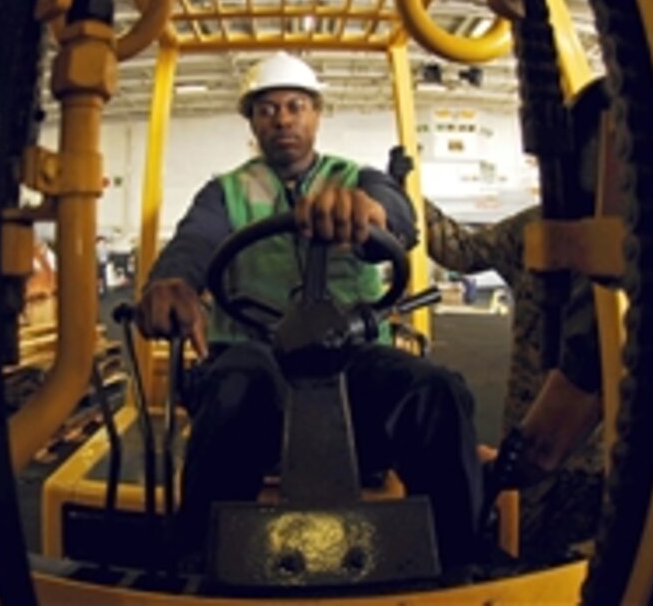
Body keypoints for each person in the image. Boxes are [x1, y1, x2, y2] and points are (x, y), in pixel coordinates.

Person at [135, 51, 485, 573]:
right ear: (252, 122)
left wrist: (371, 215)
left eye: (296, 106)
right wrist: (173, 281)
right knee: (236, 383)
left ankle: (459, 562)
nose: (283, 119)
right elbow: (194, 243)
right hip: (256, 360)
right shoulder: (223, 193)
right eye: (268, 109)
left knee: (435, 392)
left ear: (317, 114)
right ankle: (200, 558)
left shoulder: (356, 178)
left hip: (351, 358)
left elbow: (397, 217)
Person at [421, 77, 613, 566]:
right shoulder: (537, 225)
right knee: (530, 551)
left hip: (600, 455)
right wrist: (404, 199)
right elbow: (459, 250)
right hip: (533, 431)